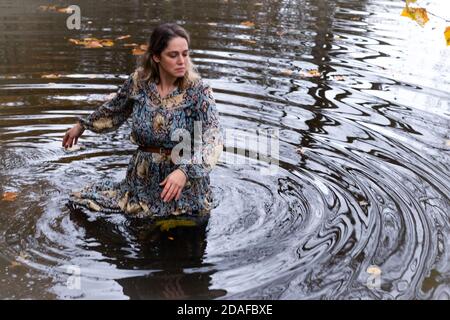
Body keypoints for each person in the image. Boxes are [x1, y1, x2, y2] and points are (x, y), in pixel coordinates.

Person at [63, 23, 224, 218]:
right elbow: (115, 109)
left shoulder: (199, 91)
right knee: (79, 202)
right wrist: (83, 125)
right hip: (142, 180)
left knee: (179, 234)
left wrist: (185, 171)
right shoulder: (139, 83)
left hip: (184, 185)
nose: (182, 61)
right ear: (156, 57)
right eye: (173, 55)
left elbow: (213, 138)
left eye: (185, 54)